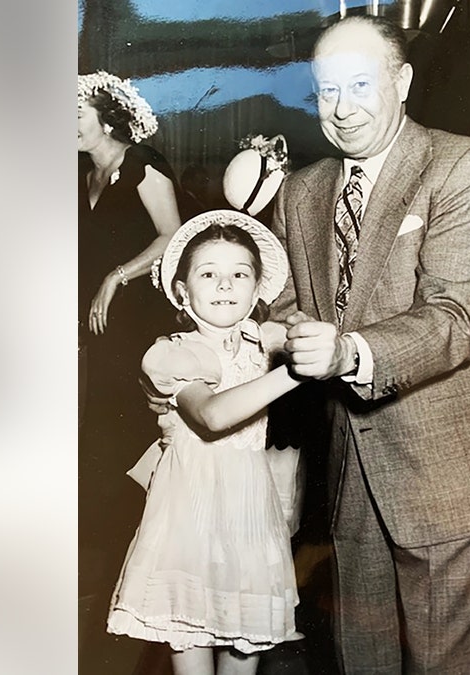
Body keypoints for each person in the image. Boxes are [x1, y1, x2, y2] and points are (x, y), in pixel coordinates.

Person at [271, 15, 470, 672]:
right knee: (364, 654)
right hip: (352, 474)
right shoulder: (300, 193)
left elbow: (453, 317)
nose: (342, 108)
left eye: (360, 84)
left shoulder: (464, 167)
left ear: (404, 80)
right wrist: (270, 331)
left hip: (458, 467)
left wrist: (346, 352)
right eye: (326, 90)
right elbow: (282, 303)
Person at [108, 210, 303, 675]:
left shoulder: (265, 341)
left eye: (240, 274)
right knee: (189, 637)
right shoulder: (173, 352)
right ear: (182, 290)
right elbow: (212, 416)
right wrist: (295, 370)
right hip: (189, 515)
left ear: (258, 290)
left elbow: (303, 327)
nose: (224, 285)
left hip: (251, 517)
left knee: (244, 653)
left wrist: (302, 334)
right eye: (208, 274)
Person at [77, 71, 182, 640]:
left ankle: (150, 575)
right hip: (97, 328)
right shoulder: (78, 174)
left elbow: (173, 234)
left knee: (131, 441)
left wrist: (118, 278)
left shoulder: (143, 165)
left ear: (107, 118)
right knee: (99, 444)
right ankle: (116, 578)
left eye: (76, 114)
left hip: (137, 323)